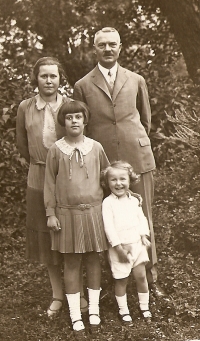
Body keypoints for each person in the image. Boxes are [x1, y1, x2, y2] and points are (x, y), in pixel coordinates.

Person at [73, 27, 164, 296]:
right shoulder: (83, 85)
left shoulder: (136, 79)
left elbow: (145, 121)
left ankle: (150, 276)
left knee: (143, 215)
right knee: (106, 218)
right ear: (95, 49)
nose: (108, 49)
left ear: (121, 47)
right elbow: (83, 127)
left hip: (137, 158)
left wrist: (131, 142)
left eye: (113, 44)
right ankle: (115, 276)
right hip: (102, 163)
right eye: (102, 45)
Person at [16, 57, 87, 319]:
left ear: (60, 79)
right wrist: (40, 165)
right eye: (43, 76)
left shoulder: (69, 106)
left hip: (69, 176)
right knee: (47, 238)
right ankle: (58, 295)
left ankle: (77, 294)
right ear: (36, 79)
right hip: (38, 175)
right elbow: (21, 143)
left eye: (53, 76)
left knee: (71, 236)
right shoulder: (25, 107)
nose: (48, 80)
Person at [44, 100, 109, 337]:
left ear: (85, 120)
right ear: (63, 122)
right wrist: (51, 214)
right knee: (71, 263)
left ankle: (93, 310)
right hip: (66, 214)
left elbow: (107, 179)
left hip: (93, 213)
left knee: (93, 260)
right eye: (69, 117)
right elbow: (49, 184)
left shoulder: (96, 148)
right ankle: (75, 314)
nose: (74, 121)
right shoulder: (56, 150)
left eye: (78, 117)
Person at [101, 161, 152, 324]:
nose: (118, 183)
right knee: (121, 279)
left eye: (122, 179)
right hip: (120, 248)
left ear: (130, 180)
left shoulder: (134, 200)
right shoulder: (107, 203)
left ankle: (145, 307)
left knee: (141, 276)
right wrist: (118, 248)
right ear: (107, 182)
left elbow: (141, 218)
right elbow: (109, 228)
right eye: (113, 180)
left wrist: (144, 235)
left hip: (137, 244)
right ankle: (124, 311)